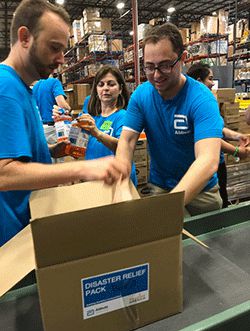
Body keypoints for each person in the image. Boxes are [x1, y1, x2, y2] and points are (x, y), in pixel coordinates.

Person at [0, 0, 129, 246]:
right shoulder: (5, 88)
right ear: (25, 37)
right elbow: (3, 173)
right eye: (54, 48)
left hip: (27, 225)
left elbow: (13, 154)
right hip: (12, 239)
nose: (61, 59)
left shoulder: (22, 88)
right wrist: (80, 169)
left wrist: (48, 152)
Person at [116, 23, 224, 217]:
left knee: (207, 241)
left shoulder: (201, 99)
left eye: (165, 66)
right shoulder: (141, 96)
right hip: (161, 186)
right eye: (149, 67)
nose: (156, 75)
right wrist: (122, 178)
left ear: (183, 58)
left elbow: (208, 160)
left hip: (202, 191)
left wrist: (171, 206)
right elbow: (127, 140)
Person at [54, 65, 137, 186]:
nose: (105, 88)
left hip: (118, 181)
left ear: (120, 89)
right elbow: (74, 149)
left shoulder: (124, 116)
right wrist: (63, 121)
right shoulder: (91, 117)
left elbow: (124, 147)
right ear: (96, 90)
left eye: (111, 84)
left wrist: (96, 132)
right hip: (94, 181)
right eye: (101, 84)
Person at [187, 62, 250, 207]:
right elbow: (211, 139)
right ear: (198, 81)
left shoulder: (208, 100)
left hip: (218, 163)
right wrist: (236, 151)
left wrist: (236, 136)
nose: (212, 83)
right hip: (206, 165)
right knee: (214, 206)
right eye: (210, 78)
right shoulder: (195, 104)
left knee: (222, 199)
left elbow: (217, 129)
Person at [33, 74, 71, 145]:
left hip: (39, 129)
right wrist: (69, 108)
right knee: (59, 153)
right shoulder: (54, 82)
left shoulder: (35, 86)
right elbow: (62, 105)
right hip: (53, 129)